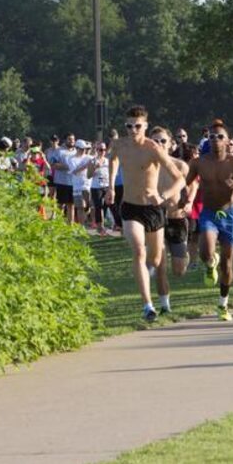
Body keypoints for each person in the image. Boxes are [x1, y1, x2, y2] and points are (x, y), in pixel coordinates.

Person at [106, 105, 185, 321]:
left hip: (153, 209)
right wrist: (111, 187)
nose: (133, 130)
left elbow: (180, 179)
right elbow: (112, 160)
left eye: (137, 126)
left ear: (145, 126)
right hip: (130, 207)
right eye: (129, 126)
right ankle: (148, 306)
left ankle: (152, 285)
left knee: (156, 258)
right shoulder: (120, 144)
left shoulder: (153, 148)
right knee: (139, 251)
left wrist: (164, 195)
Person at [186, 121, 233, 320]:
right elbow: (185, 182)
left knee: (228, 264)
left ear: (228, 141)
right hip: (209, 212)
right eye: (211, 136)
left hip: (229, 213)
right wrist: (180, 198)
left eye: (220, 136)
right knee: (206, 252)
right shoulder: (199, 163)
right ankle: (210, 264)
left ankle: (223, 305)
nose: (215, 140)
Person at [150, 127, 190, 279]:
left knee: (179, 271)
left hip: (176, 218)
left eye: (163, 140)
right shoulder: (145, 166)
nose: (159, 144)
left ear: (170, 143)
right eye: (155, 141)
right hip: (154, 218)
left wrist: (189, 203)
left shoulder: (180, 166)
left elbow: (191, 187)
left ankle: (184, 255)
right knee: (159, 261)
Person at [50, 134, 76, 223]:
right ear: (65, 140)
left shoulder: (76, 151)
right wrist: (68, 167)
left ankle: (70, 226)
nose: (72, 141)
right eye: (69, 139)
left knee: (71, 205)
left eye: (73, 139)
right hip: (61, 182)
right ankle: (58, 224)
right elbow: (53, 164)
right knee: (60, 205)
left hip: (73, 182)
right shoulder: (59, 151)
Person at [87, 142, 110, 235]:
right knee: (98, 207)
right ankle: (100, 227)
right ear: (96, 150)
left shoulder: (108, 161)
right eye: (100, 150)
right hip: (96, 187)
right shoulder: (93, 161)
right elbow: (88, 175)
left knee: (107, 206)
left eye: (104, 149)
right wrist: (95, 168)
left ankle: (104, 224)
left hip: (107, 185)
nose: (103, 152)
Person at [68, 140, 93, 225]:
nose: (83, 151)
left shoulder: (89, 157)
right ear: (77, 148)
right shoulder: (71, 159)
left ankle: (89, 221)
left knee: (88, 206)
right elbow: (75, 171)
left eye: (85, 149)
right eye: (81, 149)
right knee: (80, 206)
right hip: (78, 186)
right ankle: (81, 227)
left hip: (89, 185)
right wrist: (86, 165)